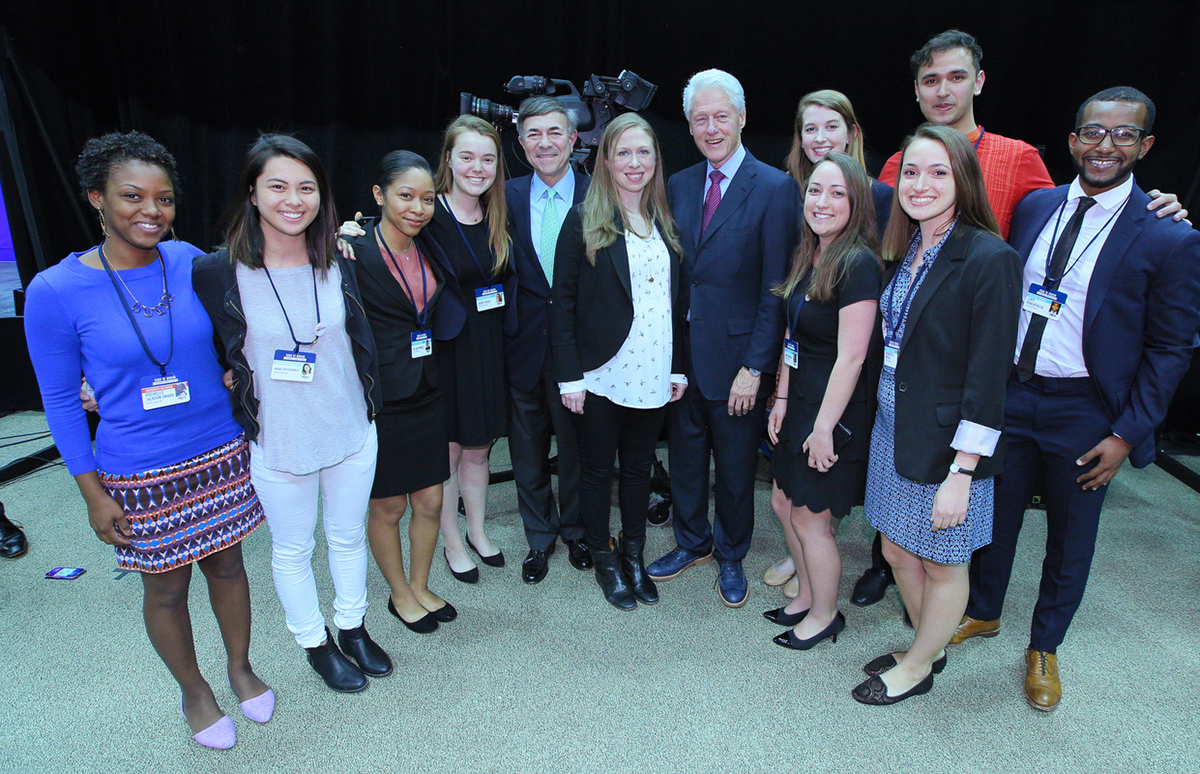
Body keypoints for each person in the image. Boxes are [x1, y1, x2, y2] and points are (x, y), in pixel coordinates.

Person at [855, 29, 1186, 608]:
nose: (943, 89)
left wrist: (1155, 207)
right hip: (973, 374)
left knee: (1025, 521)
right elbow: (887, 247)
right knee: (978, 516)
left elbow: (1089, 213)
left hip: (1023, 379)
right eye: (930, 80)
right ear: (915, 90)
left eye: (956, 76)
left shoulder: (1021, 161)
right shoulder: (898, 163)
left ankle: (1037, 645)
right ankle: (951, 601)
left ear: (979, 82)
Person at [952, 88, 1200, 712]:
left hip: (1087, 409)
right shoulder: (1035, 208)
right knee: (995, 516)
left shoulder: (1167, 234)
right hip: (1012, 394)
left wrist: (1126, 433)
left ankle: (1045, 646)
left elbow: (1172, 349)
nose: (1105, 146)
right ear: (1072, 141)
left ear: (1144, 146)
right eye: (1093, 132)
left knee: (1071, 533)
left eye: (1123, 136)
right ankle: (983, 612)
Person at [24, 131, 270, 748]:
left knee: (229, 562)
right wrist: (91, 493)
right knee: (166, 586)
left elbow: (247, 317)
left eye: (163, 199)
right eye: (131, 196)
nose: (150, 212)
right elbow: (58, 401)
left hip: (219, 449)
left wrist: (233, 366)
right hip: (138, 467)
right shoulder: (55, 291)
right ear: (95, 199)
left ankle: (240, 668)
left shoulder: (188, 260)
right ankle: (195, 692)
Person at [193, 134, 392, 694]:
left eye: (306, 187)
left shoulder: (340, 258)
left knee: (348, 536)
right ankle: (314, 642)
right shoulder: (217, 272)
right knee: (293, 548)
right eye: (277, 185)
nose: (293, 199)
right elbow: (186, 339)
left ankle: (352, 627)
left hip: (351, 429)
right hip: (279, 440)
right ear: (252, 194)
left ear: (321, 196)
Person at [852, 124, 1021, 705]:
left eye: (938, 172)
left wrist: (963, 471)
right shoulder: (907, 248)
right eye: (911, 172)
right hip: (893, 429)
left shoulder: (989, 257)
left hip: (952, 445)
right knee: (898, 549)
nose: (920, 184)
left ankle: (919, 664)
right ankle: (931, 644)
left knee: (944, 561)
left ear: (963, 178)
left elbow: (989, 375)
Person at [649, 68, 801, 608]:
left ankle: (731, 552)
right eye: (699, 119)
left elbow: (776, 288)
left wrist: (755, 365)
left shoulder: (777, 188)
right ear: (689, 127)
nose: (711, 127)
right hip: (682, 357)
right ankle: (692, 542)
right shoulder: (681, 184)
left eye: (720, 116)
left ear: (741, 118)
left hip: (739, 360)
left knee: (736, 467)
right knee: (687, 456)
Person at [550, 113, 687, 610]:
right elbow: (561, 303)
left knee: (637, 471)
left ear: (656, 159)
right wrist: (570, 376)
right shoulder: (583, 218)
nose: (635, 163)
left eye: (644, 152)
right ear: (606, 159)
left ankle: (633, 555)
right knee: (595, 471)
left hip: (653, 368)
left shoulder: (665, 220)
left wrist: (677, 367)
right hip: (601, 372)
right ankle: (604, 560)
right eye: (623, 153)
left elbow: (675, 303)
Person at [765, 89, 891, 597]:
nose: (823, 202)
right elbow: (794, 334)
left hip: (832, 403)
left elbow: (854, 355)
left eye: (837, 194)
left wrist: (823, 427)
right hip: (802, 393)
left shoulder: (858, 260)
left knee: (812, 517)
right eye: (816, 192)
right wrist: (781, 395)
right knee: (783, 504)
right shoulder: (810, 252)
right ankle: (812, 596)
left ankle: (821, 608)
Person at [344, 151, 459, 633]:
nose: (417, 207)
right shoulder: (354, 251)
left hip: (429, 386)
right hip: (382, 394)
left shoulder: (432, 243)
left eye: (428, 199)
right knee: (388, 505)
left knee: (431, 500)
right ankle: (398, 594)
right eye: (405, 196)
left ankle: (420, 583)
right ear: (379, 195)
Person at [505, 96, 593, 584]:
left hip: (580, 351)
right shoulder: (505, 195)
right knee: (527, 448)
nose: (545, 143)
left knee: (577, 448)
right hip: (522, 345)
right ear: (520, 144)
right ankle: (539, 538)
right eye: (534, 134)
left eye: (555, 132)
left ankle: (577, 529)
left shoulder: (599, 194)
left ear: (573, 138)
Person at [426, 115, 512, 583]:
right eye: (467, 157)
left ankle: (477, 531)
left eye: (487, 158)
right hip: (447, 351)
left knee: (480, 450)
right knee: (451, 453)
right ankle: (451, 540)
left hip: (488, 345)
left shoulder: (498, 213)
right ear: (449, 161)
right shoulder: (428, 213)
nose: (477, 168)